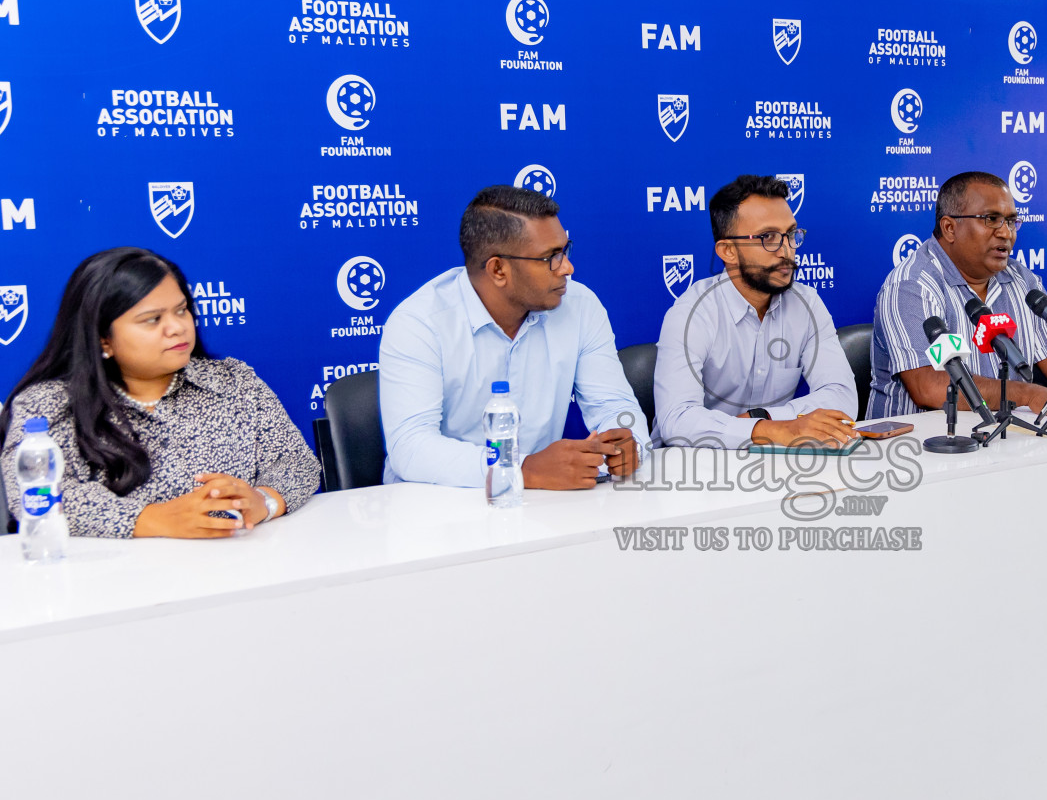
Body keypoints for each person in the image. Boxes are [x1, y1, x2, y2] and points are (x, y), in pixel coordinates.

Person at [0, 247, 320, 538]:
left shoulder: (235, 382)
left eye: (181, 311)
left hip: (239, 571)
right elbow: (34, 495)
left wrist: (263, 500)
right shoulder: (47, 404)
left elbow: (297, 462)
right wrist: (150, 520)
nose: (177, 327)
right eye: (152, 320)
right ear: (103, 340)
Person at [379, 185, 647, 490]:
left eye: (565, 250)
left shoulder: (580, 306)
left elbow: (614, 404)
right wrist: (519, 468)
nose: (567, 268)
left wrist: (627, 442)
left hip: (543, 502)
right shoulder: (419, 323)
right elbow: (412, 449)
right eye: (550, 257)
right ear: (498, 270)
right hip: (437, 507)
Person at [868, 171, 1047, 421]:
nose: (1006, 233)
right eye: (991, 219)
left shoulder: (1020, 280)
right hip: (921, 447)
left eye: (1011, 221)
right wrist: (1025, 394)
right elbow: (930, 385)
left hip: (1007, 436)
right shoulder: (913, 286)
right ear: (949, 227)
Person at [653, 175, 858, 448]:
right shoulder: (691, 314)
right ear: (728, 251)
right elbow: (677, 421)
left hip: (777, 464)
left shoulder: (807, 304)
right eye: (768, 237)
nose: (787, 250)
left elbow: (842, 396)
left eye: (791, 234)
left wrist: (765, 420)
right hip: (695, 471)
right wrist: (771, 429)